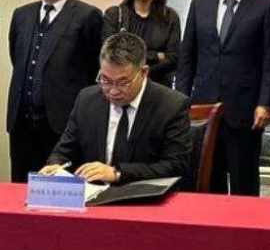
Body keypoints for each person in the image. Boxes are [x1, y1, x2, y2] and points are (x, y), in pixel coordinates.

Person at [175, 0, 270, 196]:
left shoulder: (267, 4)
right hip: (204, 108)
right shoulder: (201, 3)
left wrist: (265, 103)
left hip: (246, 109)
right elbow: (187, 57)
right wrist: (181, 102)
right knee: (208, 181)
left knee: (244, 182)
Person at [40, 32, 190, 184]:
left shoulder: (172, 106)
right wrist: (56, 165)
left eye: (123, 82)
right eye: (105, 80)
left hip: (143, 195)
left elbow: (175, 166)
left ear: (144, 72)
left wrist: (117, 173)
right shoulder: (86, 99)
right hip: (93, 194)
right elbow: (64, 151)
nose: (113, 91)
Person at [6, 0, 103, 182]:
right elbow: (16, 59)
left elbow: (94, 69)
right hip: (22, 124)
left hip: (63, 124)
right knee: (20, 187)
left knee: (60, 190)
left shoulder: (87, 15)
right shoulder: (22, 15)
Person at [101, 0, 181, 87]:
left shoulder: (171, 17)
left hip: (159, 88)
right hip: (121, 87)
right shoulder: (114, 14)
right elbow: (110, 53)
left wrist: (139, 74)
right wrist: (156, 56)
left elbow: (173, 59)